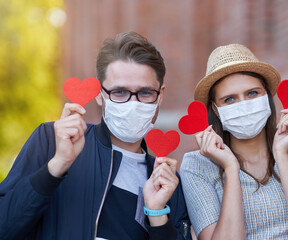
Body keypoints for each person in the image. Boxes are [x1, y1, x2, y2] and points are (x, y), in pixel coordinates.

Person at [0, 32, 191, 240]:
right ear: (100, 94)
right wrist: (57, 165)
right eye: (119, 92)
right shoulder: (50, 141)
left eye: (145, 92)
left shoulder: (167, 182)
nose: (132, 103)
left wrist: (156, 213)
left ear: (160, 95)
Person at [180, 44, 288, 239]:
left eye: (252, 93)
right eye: (229, 99)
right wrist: (230, 168)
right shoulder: (197, 166)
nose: (243, 105)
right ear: (216, 109)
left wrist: (282, 156)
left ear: (267, 96)